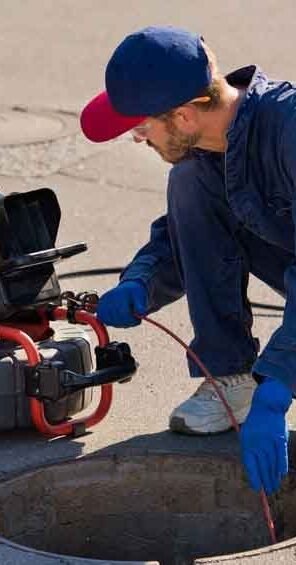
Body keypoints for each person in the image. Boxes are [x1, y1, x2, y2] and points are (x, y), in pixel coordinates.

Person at [80, 25, 295, 496]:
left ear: (182, 115)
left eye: (141, 126)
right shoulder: (213, 144)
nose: (136, 138)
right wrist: (142, 281)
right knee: (191, 183)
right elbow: (190, 232)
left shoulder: (288, 132)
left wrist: (278, 387)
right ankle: (230, 380)